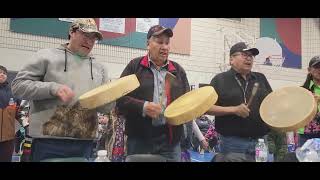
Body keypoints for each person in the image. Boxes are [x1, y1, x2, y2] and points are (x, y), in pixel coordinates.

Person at [11, 18, 114, 161]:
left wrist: (113, 99)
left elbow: (104, 107)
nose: (89, 42)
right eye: (85, 35)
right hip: (49, 141)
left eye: (93, 38)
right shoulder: (46, 56)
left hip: (86, 143)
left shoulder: (100, 68)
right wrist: (53, 88)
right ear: (72, 32)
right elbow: (18, 85)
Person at [116, 25, 190, 162]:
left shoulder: (178, 70)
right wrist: (143, 107)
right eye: (159, 42)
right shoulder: (135, 66)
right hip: (139, 140)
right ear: (148, 44)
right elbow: (119, 99)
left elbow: (187, 101)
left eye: (167, 43)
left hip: (170, 141)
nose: (164, 47)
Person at [206, 42, 273, 162]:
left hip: (261, 142)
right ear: (231, 59)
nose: (249, 58)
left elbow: (272, 103)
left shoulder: (261, 78)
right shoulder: (220, 80)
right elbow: (207, 108)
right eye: (244, 54)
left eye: (251, 55)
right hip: (233, 144)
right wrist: (234, 109)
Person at [297, 55, 320, 147]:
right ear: (309, 70)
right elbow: (297, 114)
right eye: (316, 67)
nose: (319, 69)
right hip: (306, 135)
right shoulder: (302, 90)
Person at [0, 65, 21, 161]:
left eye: (4, 73)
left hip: (8, 139)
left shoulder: (13, 93)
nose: (2, 74)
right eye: (0, 72)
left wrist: (28, 126)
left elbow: (21, 113)